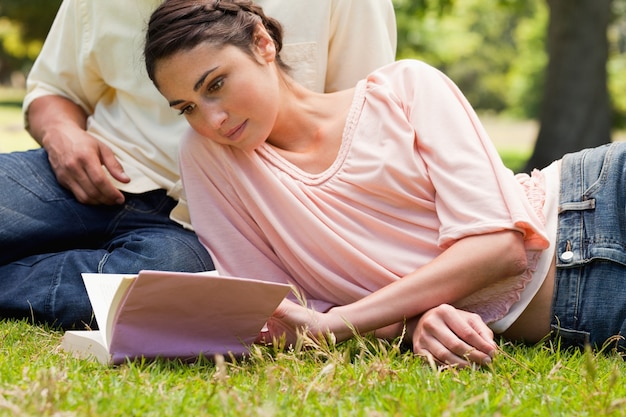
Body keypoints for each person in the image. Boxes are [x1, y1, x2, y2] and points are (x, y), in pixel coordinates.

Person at [144, 0, 626, 368]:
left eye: (216, 84)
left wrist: (340, 323)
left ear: (262, 44)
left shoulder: (406, 88)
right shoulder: (210, 158)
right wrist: (412, 319)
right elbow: (281, 313)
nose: (212, 118)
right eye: (186, 107)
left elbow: (501, 246)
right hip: (582, 305)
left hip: (595, 196)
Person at [0, 0, 397, 330]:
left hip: (207, 229)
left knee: (174, 283)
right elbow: (53, 90)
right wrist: (61, 135)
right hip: (94, 173)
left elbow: (359, 125)